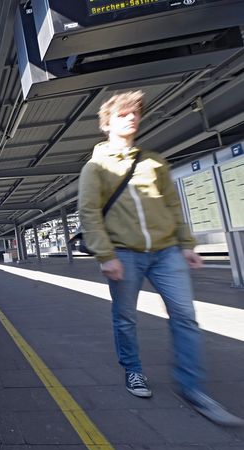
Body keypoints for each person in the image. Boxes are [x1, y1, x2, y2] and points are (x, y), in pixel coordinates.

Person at [77, 90, 243, 426]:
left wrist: (186, 243)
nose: (133, 118)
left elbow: (172, 206)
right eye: (125, 114)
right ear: (107, 122)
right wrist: (105, 255)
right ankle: (133, 371)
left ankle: (192, 387)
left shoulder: (154, 161)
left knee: (185, 316)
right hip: (125, 253)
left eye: (136, 113)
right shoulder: (95, 168)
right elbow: (89, 212)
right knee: (126, 317)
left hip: (166, 251)